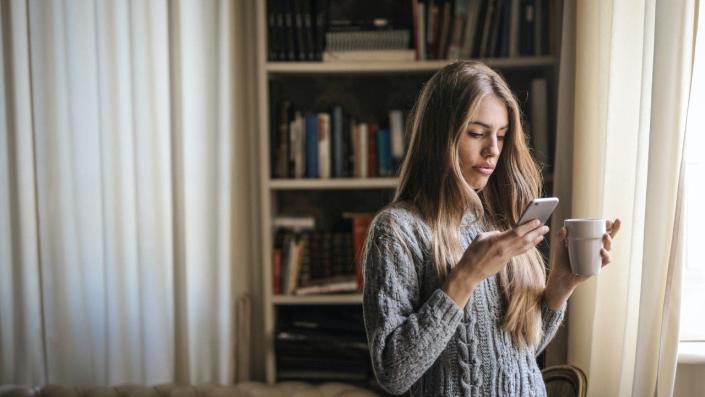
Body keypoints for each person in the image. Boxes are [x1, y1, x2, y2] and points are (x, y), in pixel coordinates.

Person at [361, 61, 621, 396]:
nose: (493, 150)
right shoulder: (397, 231)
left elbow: (516, 355)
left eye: (501, 135)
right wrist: (466, 276)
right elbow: (394, 372)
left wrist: (559, 286)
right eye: (476, 133)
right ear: (439, 136)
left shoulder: (496, 220)